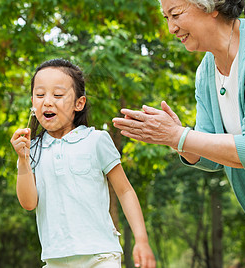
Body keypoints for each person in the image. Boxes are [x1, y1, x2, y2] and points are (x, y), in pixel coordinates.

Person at [112, 0, 245, 246]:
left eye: (176, 14)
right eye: (166, 18)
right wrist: (175, 138)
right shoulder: (206, 70)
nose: (171, 28)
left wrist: (178, 136)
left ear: (211, 2)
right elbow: (212, 158)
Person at [10, 59, 156, 268]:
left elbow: (125, 191)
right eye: (40, 95)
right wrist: (23, 160)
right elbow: (28, 203)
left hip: (101, 256)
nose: (47, 102)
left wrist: (141, 240)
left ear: (79, 103)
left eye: (58, 95)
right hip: (55, 259)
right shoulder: (31, 150)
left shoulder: (96, 140)